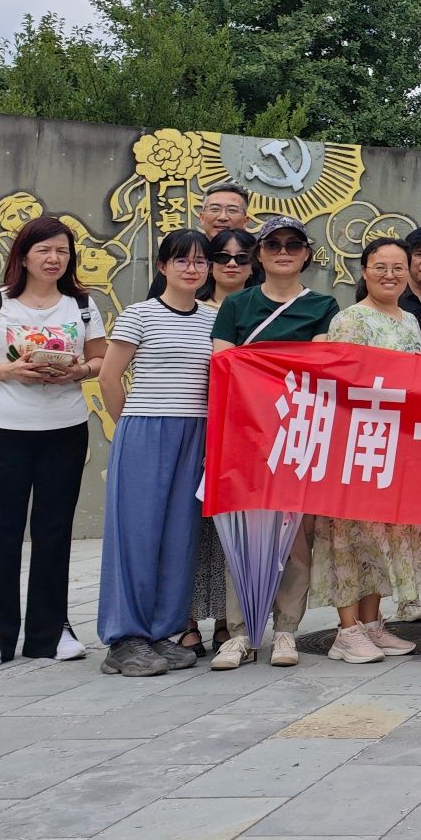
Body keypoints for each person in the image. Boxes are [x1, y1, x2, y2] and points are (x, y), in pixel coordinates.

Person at [0, 215, 108, 666]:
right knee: (3, 530)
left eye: (62, 251)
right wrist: (9, 370)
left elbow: (101, 358)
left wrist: (79, 370)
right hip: (0, 429)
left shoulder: (81, 305)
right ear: (23, 255)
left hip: (64, 429)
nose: (54, 258)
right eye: (44, 250)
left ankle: (51, 631)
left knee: (54, 531)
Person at [208, 215, 341, 670]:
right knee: (242, 533)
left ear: (306, 255)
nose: (283, 252)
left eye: (293, 245)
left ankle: (286, 630)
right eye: (273, 245)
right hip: (244, 431)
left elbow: (319, 366)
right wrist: (281, 365)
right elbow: (223, 364)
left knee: (295, 536)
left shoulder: (322, 305)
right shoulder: (236, 305)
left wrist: (259, 363)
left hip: (298, 432)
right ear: (259, 255)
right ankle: (240, 632)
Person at [95, 229, 215, 676]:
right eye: (181, 260)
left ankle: (162, 632)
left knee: (180, 536)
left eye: (200, 261)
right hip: (145, 429)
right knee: (136, 535)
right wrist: (129, 428)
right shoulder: (139, 314)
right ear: (163, 266)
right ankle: (125, 639)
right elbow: (109, 377)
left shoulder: (213, 319)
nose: (191, 268)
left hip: (195, 433)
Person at [315, 239, 421, 664]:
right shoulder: (350, 320)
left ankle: (371, 624)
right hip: (358, 442)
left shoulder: (410, 320)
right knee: (351, 537)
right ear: (364, 271)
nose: (390, 275)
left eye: (398, 267)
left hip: (398, 443)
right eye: (380, 266)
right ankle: (347, 630)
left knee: (384, 535)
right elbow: (342, 383)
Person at [173, 224, 258, 657]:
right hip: (195, 430)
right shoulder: (191, 308)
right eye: (221, 257)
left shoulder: (259, 310)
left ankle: (229, 621)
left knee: (233, 532)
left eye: (241, 257)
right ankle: (185, 619)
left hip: (246, 436)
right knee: (189, 527)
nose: (231, 264)